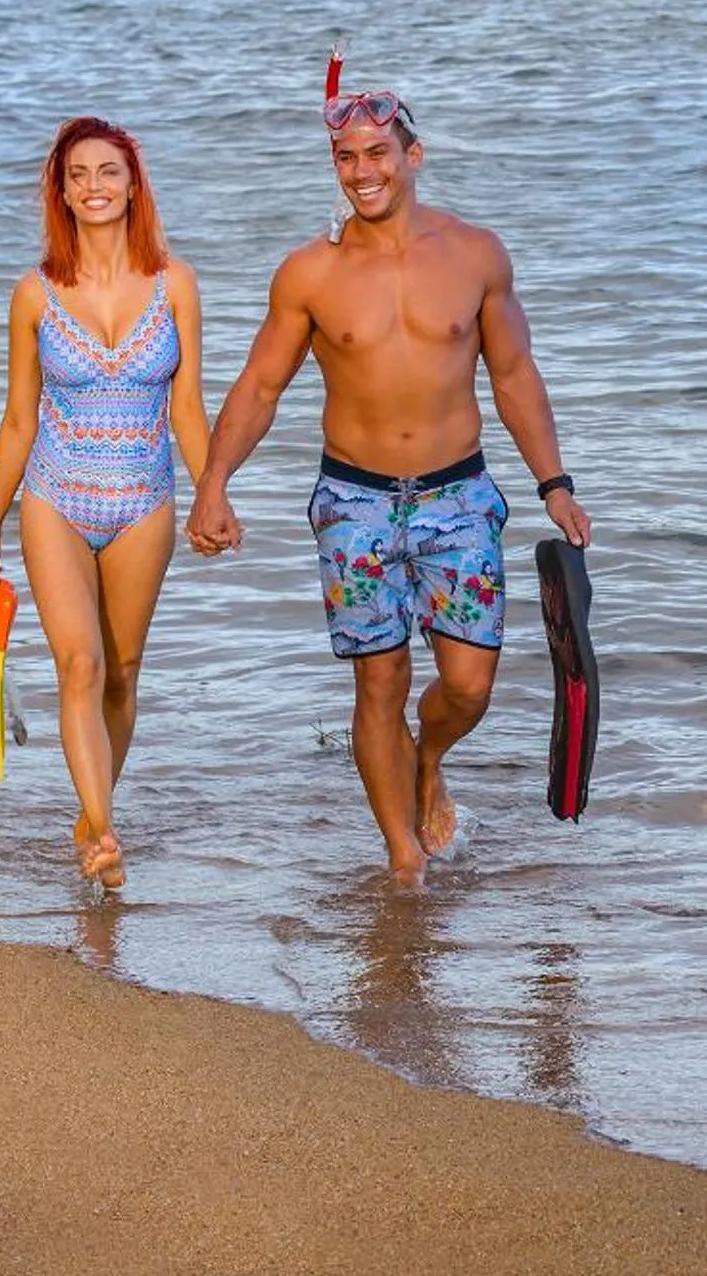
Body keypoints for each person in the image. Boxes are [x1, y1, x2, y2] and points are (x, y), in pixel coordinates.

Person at [187, 79, 590, 888]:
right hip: (354, 500)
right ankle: (405, 860)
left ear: (414, 155)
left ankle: (427, 757)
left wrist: (554, 482)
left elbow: (513, 375)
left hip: (459, 496)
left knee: (469, 686)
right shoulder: (308, 273)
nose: (361, 171)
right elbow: (260, 386)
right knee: (380, 678)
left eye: (377, 153)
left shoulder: (476, 254)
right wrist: (213, 484)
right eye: (345, 157)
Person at [0, 116, 210, 891]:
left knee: (122, 671)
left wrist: (214, 495)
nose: (94, 187)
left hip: (145, 500)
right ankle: (104, 834)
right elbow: (18, 420)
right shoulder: (34, 296)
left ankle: (90, 807)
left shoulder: (175, 283)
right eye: (78, 175)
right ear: (62, 193)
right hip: (55, 498)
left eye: (107, 171)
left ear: (133, 183)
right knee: (78, 664)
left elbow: (187, 410)